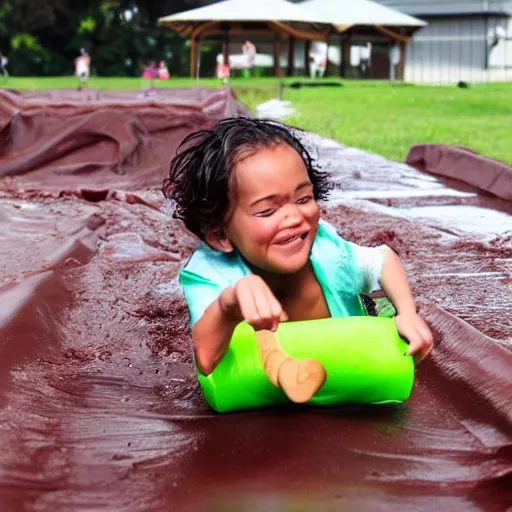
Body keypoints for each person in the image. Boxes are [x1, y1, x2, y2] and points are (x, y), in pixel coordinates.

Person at [163, 118, 433, 393]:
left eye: (303, 199)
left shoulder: (328, 254)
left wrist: (406, 313)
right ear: (220, 235)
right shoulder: (212, 275)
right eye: (267, 211)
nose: (294, 217)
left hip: (344, 343)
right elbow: (206, 359)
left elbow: (382, 260)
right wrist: (228, 305)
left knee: (380, 304)